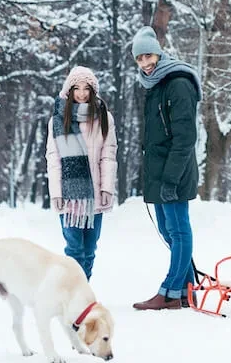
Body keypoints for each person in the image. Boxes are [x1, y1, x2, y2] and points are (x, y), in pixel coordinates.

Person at [130, 26, 203, 311]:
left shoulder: (178, 83)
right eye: (139, 59)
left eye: (148, 56)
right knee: (167, 229)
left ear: (158, 53)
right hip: (160, 172)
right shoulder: (155, 84)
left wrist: (171, 178)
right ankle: (186, 291)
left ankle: (171, 291)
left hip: (175, 171)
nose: (145, 63)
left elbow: (185, 138)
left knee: (178, 229)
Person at [46, 66, 118, 281]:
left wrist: (106, 188)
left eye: (87, 88)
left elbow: (108, 155)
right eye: (76, 88)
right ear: (68, 90)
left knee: (89, 250)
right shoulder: (58, 121)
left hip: (95, 197)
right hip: (70, 198)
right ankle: (72, 296)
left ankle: (83, 291)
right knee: (74, 250)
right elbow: (53, 158)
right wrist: (56, 194)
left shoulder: (104, 118)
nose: (82, 93)